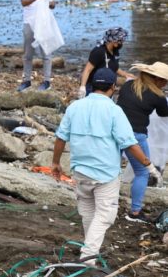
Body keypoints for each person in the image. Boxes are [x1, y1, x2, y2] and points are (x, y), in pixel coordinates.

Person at [51, 68, 161, 262]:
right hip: (105, 174)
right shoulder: (114, 110)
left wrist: (55, 162)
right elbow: (130, 144)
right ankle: (88, 257)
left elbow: (60, 138)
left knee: (88, 212)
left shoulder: (75, 107)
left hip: (80, 171)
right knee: (105, 216)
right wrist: (149, 166)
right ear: (113, 87)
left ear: (92, 85)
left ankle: (89, 249)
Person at [116, 62, 168, 222]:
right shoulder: (158, 96)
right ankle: (135, 212)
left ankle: (104, 202)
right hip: (135, 137)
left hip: (114, 131)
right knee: (143, 172)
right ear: (157, 79)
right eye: (165, 80)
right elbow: (163, 113)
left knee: (111, 169)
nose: (166, 84)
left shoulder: (128, 85)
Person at [18, 0, 57, 91]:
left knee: (46, 54)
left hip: (44, 23)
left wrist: (51, 3)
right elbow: (23, 3)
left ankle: (47, 80)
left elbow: (51, 4)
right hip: (29, 22)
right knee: (28, 54)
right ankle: (27, 80)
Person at [79, 27, 134, 98]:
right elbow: (87, 70)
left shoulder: (115, 51)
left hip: (108, 85)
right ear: (113, 41)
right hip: (93, 86)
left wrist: (125, 75)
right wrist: (82, 87)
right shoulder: (98, 52)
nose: (122, 43)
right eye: (120, 41)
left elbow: (114, 67)